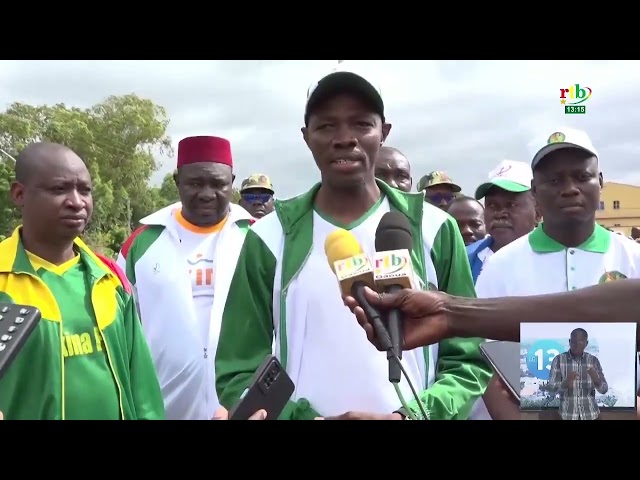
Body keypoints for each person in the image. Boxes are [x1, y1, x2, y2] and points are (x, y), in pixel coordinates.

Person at [215, 65, 491, 421]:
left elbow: (466, 358)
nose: (345, 138)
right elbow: (238, 367)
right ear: (306, 136)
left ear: (383, 132)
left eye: (361, 123)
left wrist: (413, 416)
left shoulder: (435, 228)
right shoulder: (269, 237)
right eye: (327, 125)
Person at [0, 142, 164, 420]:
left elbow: (142, 387)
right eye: (58, 189)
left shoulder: (109, 279)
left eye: (84, 190)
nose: (76, 201)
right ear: (19, 194)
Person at [117, 136, 254, 420]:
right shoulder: (141, 244)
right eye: (195, 183)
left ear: (233, 182)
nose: (207, 193)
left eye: (218, 184)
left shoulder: (258, 238)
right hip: (161, 406)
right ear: (178, 180)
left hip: (241, 406)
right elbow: (122, 328)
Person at [467, 159, 539, 281]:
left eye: (511, 205)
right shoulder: (466, 259)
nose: (499, 214)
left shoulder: (557, 256)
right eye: (492, 205)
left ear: (538, 211)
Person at [546, 328, 608, 420]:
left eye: (580, 342)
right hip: (567, 415)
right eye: (574, 342)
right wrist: (565, 383)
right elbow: (551, 388)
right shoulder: (559, 360)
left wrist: (596, 380)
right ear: (569, 341)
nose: (577, 345)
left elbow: (604, 390)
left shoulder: (593, 361)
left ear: (586, 343)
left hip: (591, 414)